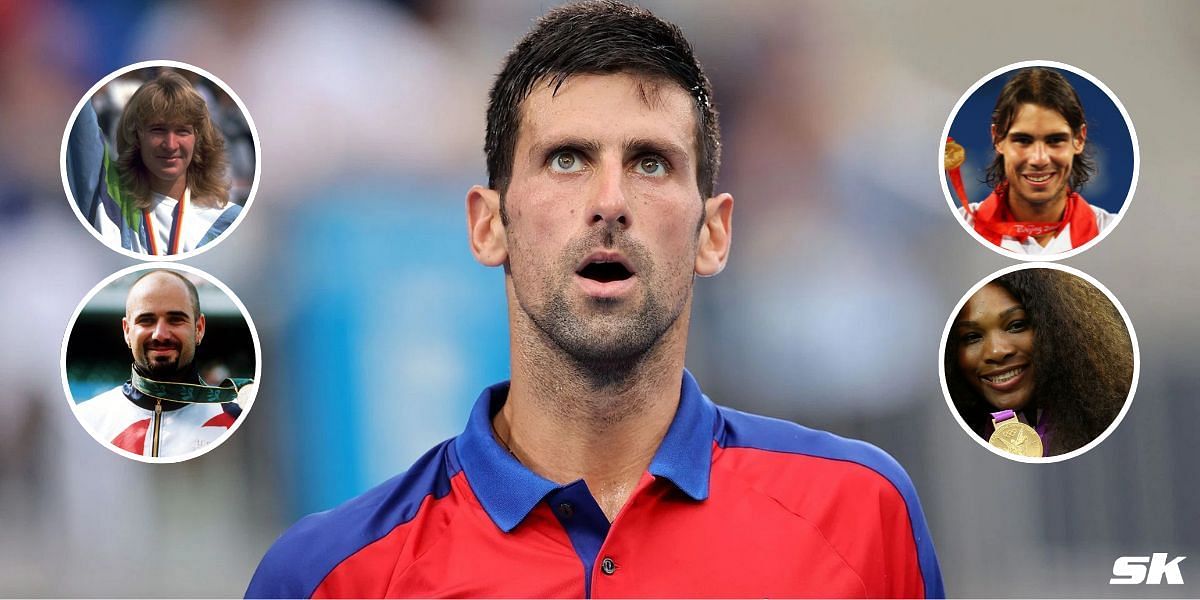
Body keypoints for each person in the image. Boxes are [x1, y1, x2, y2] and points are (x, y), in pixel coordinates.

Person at [248, 2, 943, 597]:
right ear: (490, 225)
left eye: (650, 162)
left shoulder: (859, 511)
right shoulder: (328, 576)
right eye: (566, 159)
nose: (609, 203)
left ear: (714, 232)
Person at [945, 269, 1132, 457]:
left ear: (1058, 330)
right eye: (972, 337)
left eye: (1016, 326)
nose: (996, 351)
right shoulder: (959, 447)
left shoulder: (1110, 427)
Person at [74, 270, 250, 459]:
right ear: (127, 331)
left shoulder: (237, 420)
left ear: (199, 329)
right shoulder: (88, 419)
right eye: (146, 321)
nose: (160, 334)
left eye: (175, 320)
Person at [66, 70, 242, 255]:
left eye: (182, 131)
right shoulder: (106, 192)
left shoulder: (227, 221)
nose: (170, 145)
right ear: (136, 135)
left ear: (198, 139)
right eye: (158, 130)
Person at [956, 67, 1115, 255]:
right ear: (998, 139)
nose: (1039, 159)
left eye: (1055, 140)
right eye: (1023, 140)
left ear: (1079, 140)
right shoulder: (959, 227)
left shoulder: (1109, 230)